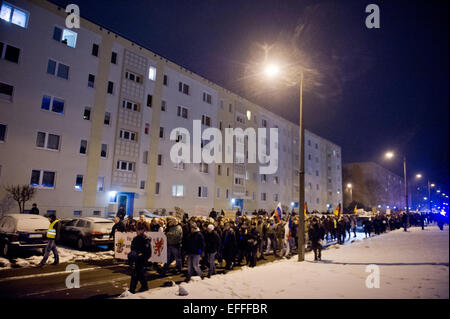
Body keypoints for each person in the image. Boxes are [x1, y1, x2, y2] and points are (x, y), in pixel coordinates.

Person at [128, 224, 151, 294]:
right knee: (139, 273)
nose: (137, 231)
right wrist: (132, 255)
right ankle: (144, 286)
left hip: (142, 258)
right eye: (136, 230)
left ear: (142, 230)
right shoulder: (136, 238)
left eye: (138, 230)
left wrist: (140, 255)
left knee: (136, 273)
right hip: (137, 258)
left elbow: (147, 251)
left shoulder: (145, 239)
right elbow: (132, 248)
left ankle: (132, 289)